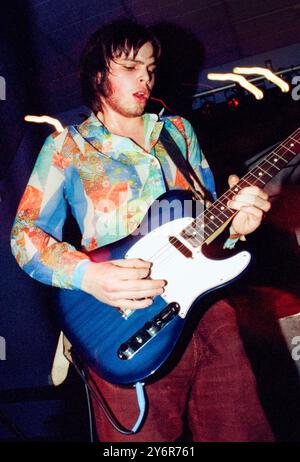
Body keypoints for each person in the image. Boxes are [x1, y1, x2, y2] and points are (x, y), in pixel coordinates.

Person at [11, 19, 274, 442]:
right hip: (124, 321)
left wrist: (236, 227)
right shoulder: (68, 147)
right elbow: (25, 236)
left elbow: (209, 222)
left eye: (150, 68)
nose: (146, 78)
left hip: (207, 313)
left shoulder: (179, 133)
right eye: (131, 66)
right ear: (99, 75)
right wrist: (89, 275)